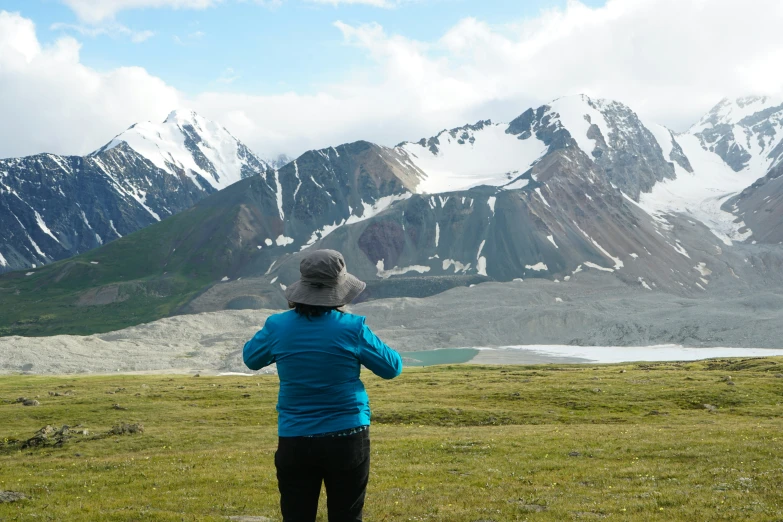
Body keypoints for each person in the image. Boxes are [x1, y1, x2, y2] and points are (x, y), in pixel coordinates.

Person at [243, 249, 403, 522]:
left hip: (295, 438)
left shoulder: (277, 326)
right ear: (339, 290)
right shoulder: (353, 328)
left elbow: (251, 359)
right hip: (347, 436)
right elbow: (392, 367)